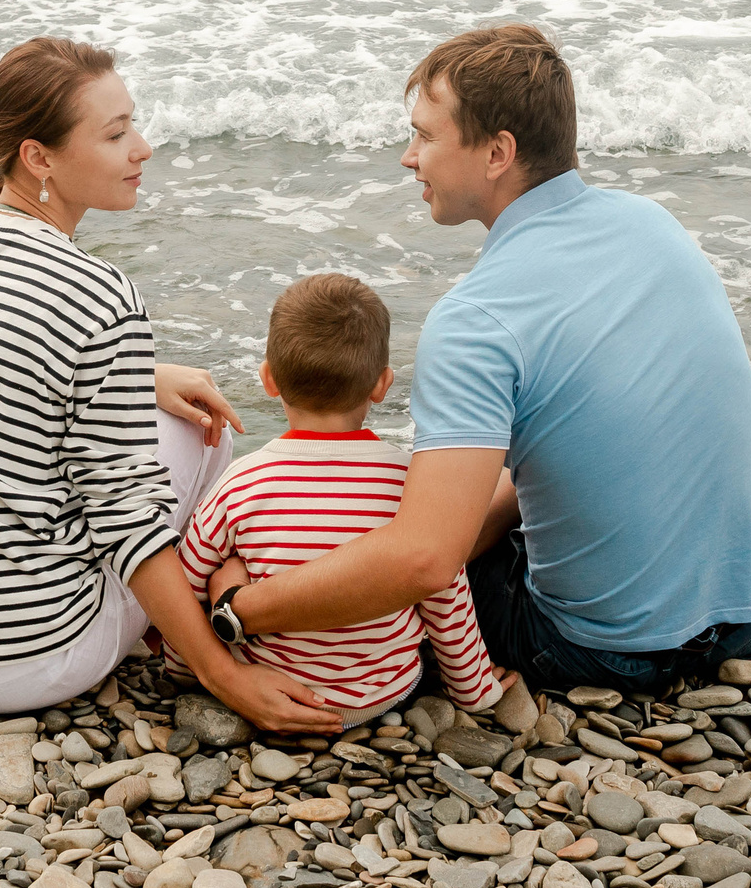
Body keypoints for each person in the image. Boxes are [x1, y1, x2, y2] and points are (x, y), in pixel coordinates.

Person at [217, 24, 751, 695]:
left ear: (497, 153)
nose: (408, 157)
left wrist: (239, 610)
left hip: (601, 647)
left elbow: (426, 560)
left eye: (426, 136)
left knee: (409, 568)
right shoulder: (652, 223)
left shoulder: (476, 317)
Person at [0, 36, 338, 730]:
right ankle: (208, 621)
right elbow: (124, 514)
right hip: (19, 660)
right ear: (38, 156)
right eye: (116, 134)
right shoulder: (102, 296)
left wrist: (139, 374)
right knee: (200, 428)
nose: (142, 148)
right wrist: (223, 675)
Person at [176, 273, 506, 727]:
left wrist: (187, 670)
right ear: (382, 384)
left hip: (271, 689)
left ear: (269, 379)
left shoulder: (241, 482)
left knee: (223, 562)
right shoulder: (411, 482)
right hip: (384, 692)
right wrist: (474, 688)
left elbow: (188, 582)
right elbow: (444, 590)